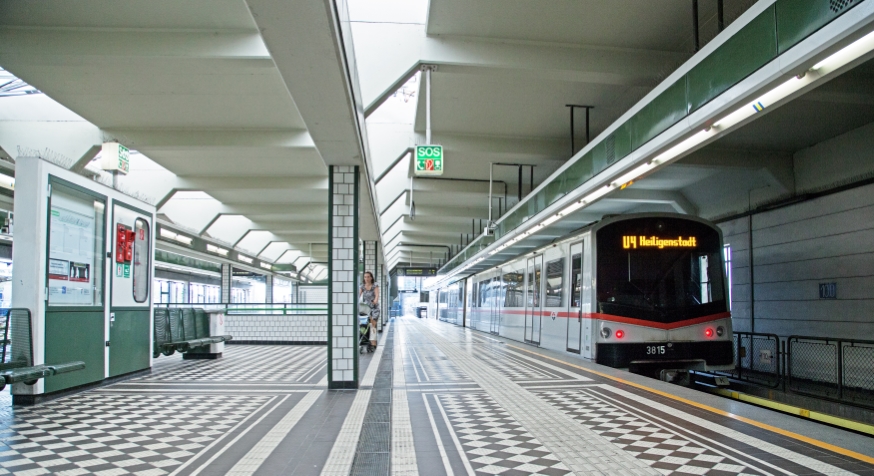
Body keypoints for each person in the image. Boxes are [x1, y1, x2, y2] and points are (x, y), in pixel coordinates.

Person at [358, 271, 380, 349]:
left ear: (371, 278)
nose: (366, 278)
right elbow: (358, 295)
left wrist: (375, 301)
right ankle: (367, 340)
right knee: (366, 324)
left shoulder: (375, 285)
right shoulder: (362, 286)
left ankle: (373, 343)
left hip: (374, 308)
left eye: (368, 277)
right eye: (365, 277)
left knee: (373, 324)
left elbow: (377, 295)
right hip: (366, 308)